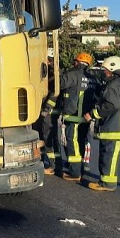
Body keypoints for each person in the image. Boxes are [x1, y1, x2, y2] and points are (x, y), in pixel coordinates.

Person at [83, 56, 120, 192]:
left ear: (113, 69)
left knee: (109, 154)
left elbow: (111, 105)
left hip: (115, 128)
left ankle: (107, 183)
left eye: (106, 70)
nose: (104, 72)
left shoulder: (115, 85)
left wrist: (93, 114)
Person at [42, 52, 100, 182]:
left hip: (73, 117)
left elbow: (58, 85)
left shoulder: (72, 75)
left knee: (72, 144)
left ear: (76, 62)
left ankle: (74, 172)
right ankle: (81, 169)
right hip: (85, 118)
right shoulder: (93, 78)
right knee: (81, 143)